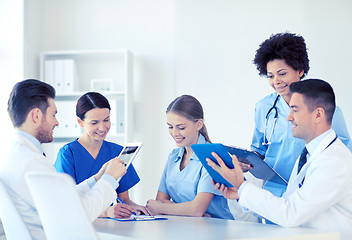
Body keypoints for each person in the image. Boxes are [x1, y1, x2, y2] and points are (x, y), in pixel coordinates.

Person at [208, 79, 352, 240]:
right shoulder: (308, 154)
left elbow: (291, 214)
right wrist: (241, 194)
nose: (289, 117)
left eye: (295, 110)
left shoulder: (334, 161)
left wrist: (242, 186)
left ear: (318, 114)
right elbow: (286, 203)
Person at [0, 79, 127, 240]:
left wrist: (97, 179)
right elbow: (76, 215)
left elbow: (65, 199)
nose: (57, 122)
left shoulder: (15, 153)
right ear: (36, 115)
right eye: (53, 115)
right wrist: (110, 179)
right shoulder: (31, 162)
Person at [248, 32, 351, 197]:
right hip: (274, 193)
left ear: (300, 71)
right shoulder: (263, 108)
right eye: (270, 76)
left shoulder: (325, 109)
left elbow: (344, 153)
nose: (276, 81)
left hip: (313, 192)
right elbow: (259, 149)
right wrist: (245, 161)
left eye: (282, 74)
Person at [54, 92, 149, 217]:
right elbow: (66, 203)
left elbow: (124, 199)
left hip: (112, 225)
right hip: (80, 223)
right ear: (80, 122)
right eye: (94, 123)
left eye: (106, 120)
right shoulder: (68, 154)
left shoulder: (117, 152)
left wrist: (136, 208)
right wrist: (106, 212)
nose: (102, 128)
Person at [146, 95, 234, 219]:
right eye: (170, 127)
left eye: (181, 127)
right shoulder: (173, 156)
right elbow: (161, 199)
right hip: (185, 227)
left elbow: (197, 209)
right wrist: (188, 209)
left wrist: (159, 207)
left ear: (199, 124)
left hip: (216, 231)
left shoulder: (213, 157)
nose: (175, 133)